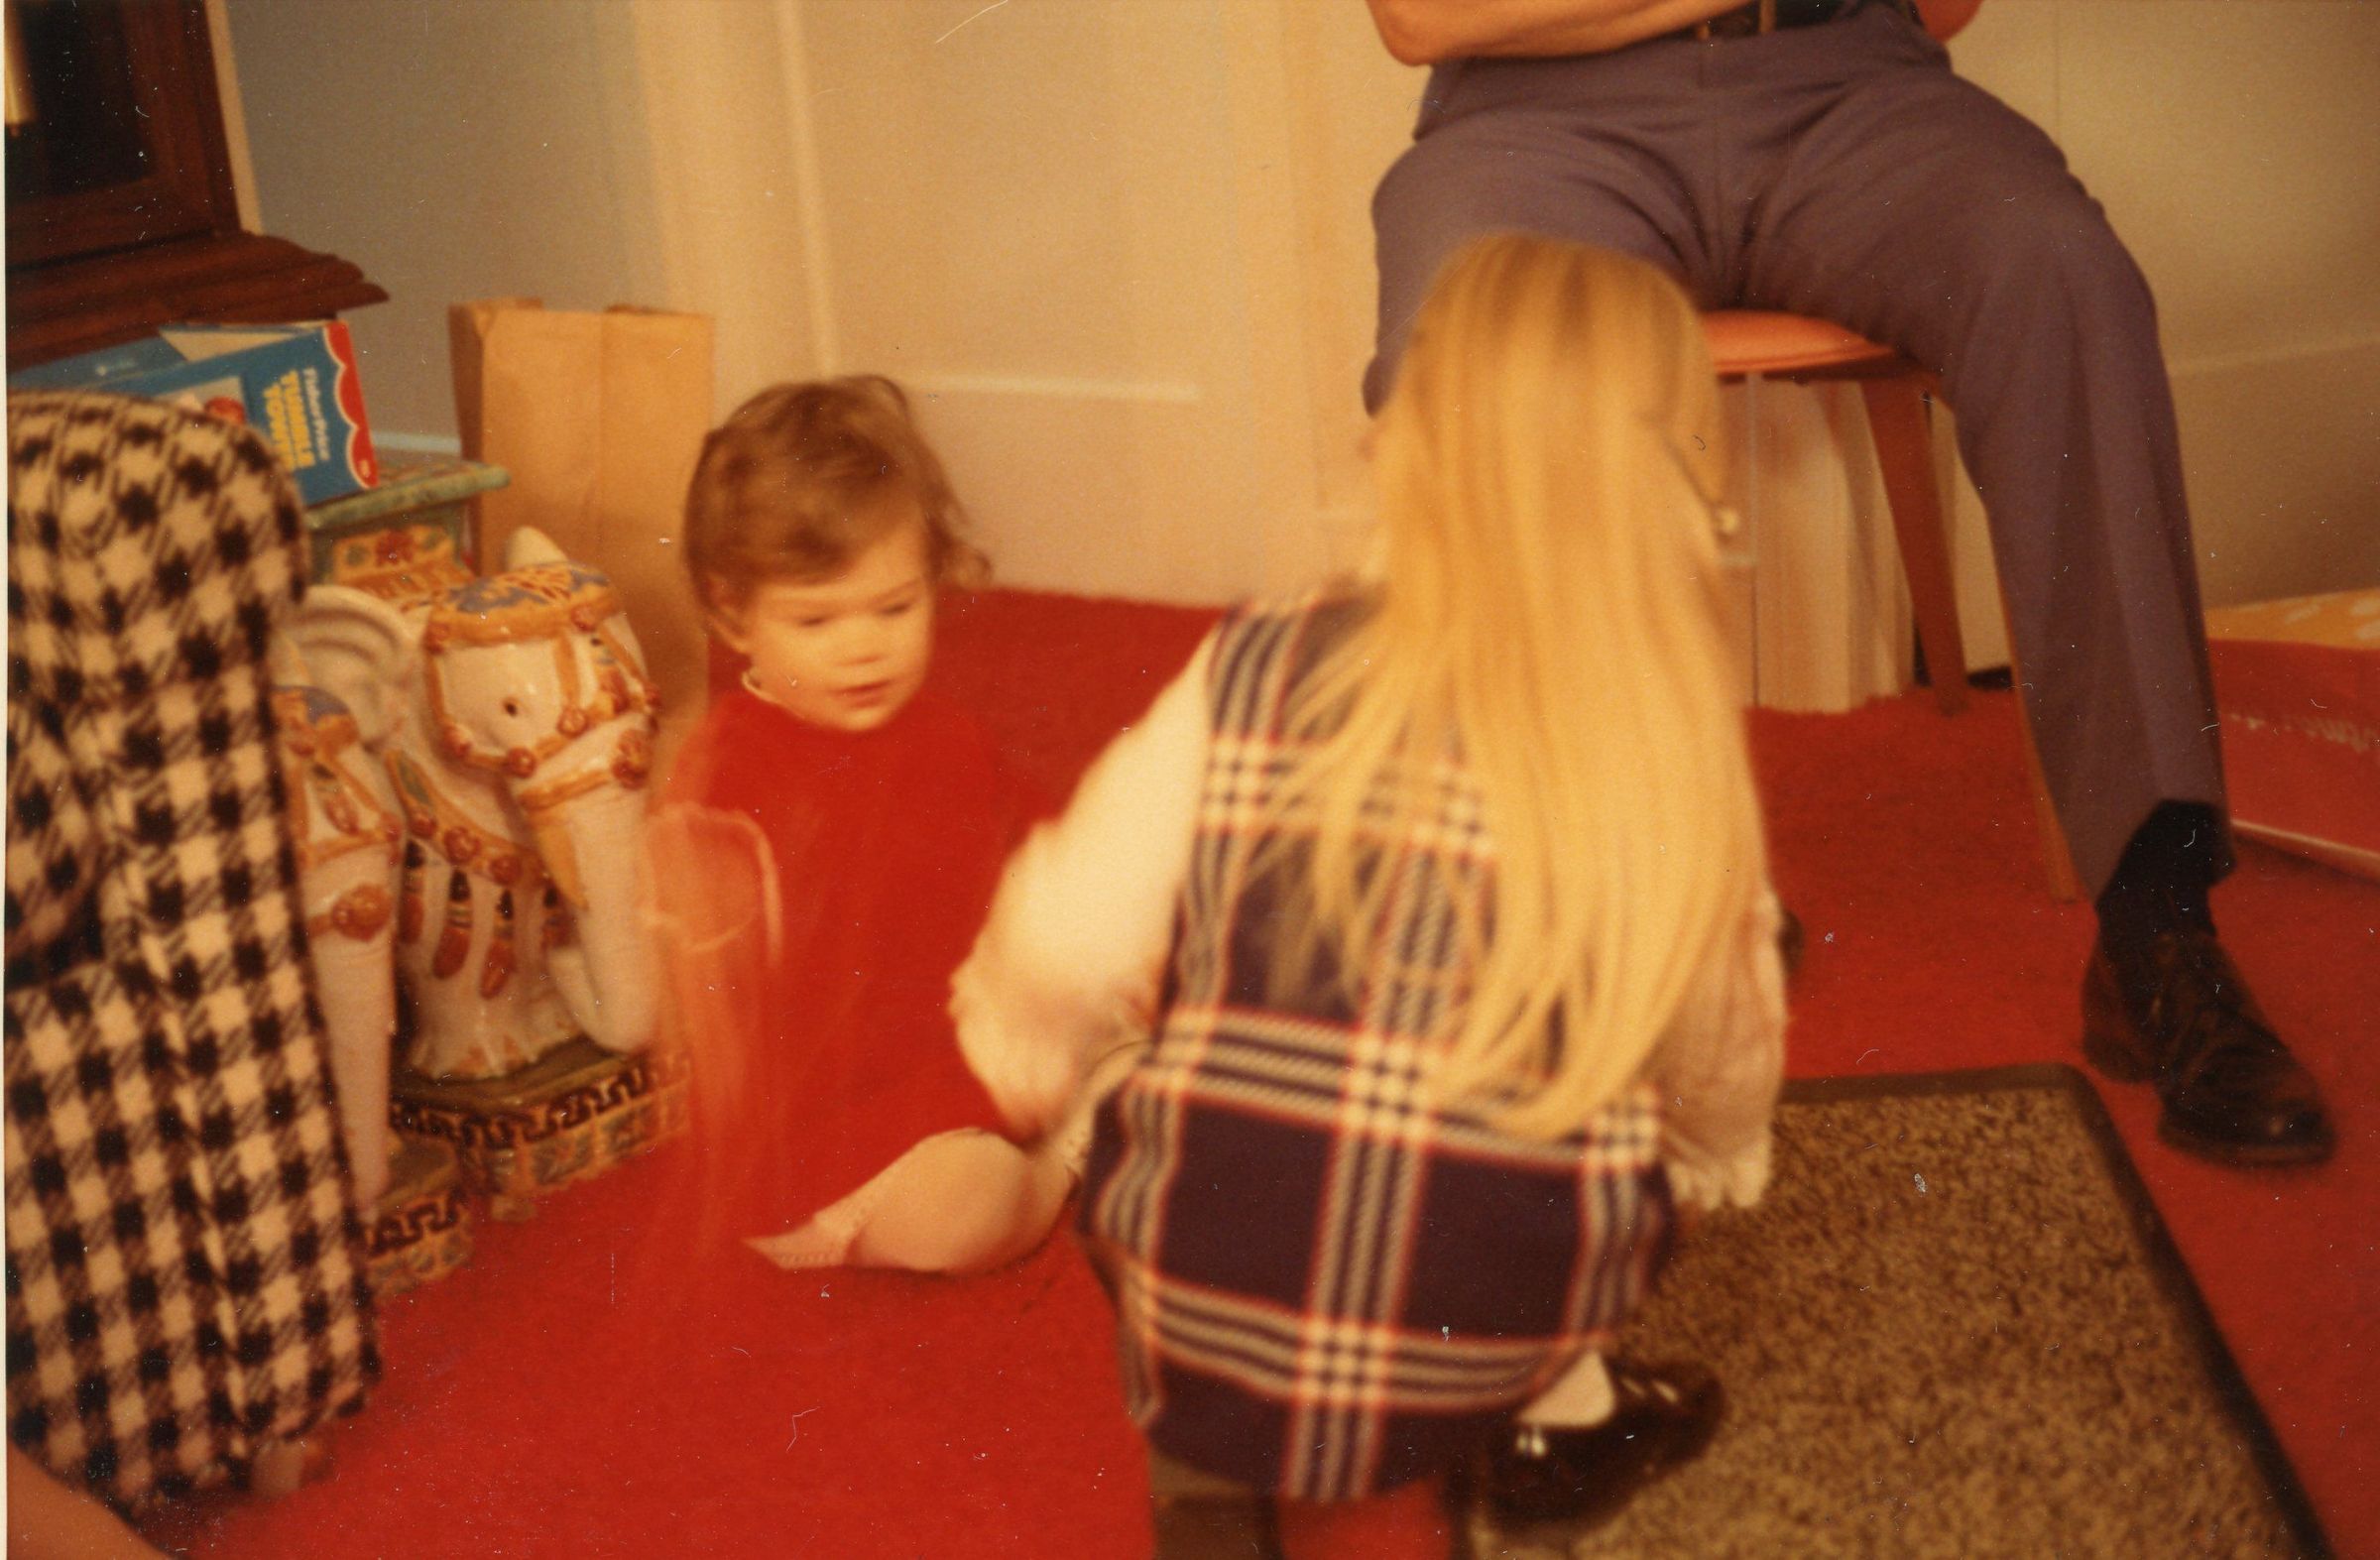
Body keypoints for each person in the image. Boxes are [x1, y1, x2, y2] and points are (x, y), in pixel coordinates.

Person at [1359, 0, 2331, 1166]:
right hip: (1543, 125)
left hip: (1848, 90)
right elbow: (1425, 17)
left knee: (2060, 269)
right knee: (1461, 343)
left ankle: (2156, 923)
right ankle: (1614, 901)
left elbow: (1943, 7)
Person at [950, 236, 1784, 1557]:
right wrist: (1715, 1151)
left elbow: (1063, 933)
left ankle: (1257, 1425)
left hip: (1199, 1284)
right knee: (1589, 1115)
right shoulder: (1665, 748)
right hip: (1495, 1304)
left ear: (1399, 445)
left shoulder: (1260, 660)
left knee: (1135, 1057)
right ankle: (1552, 1416)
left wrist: (1028, 1055)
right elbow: (1722, 1034)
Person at [646, 375, 1076, 1277]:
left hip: (950, 1087)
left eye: (896, 607)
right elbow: (708, 1001)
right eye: (815, 619)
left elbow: (1057, 857)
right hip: (807, 1144)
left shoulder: (950, 737)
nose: (864, 646)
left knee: (1120, 1026)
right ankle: (1071, 1153)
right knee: (962, 1208)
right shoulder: (724, 776)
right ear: (731, 613)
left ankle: (1075, 1127)